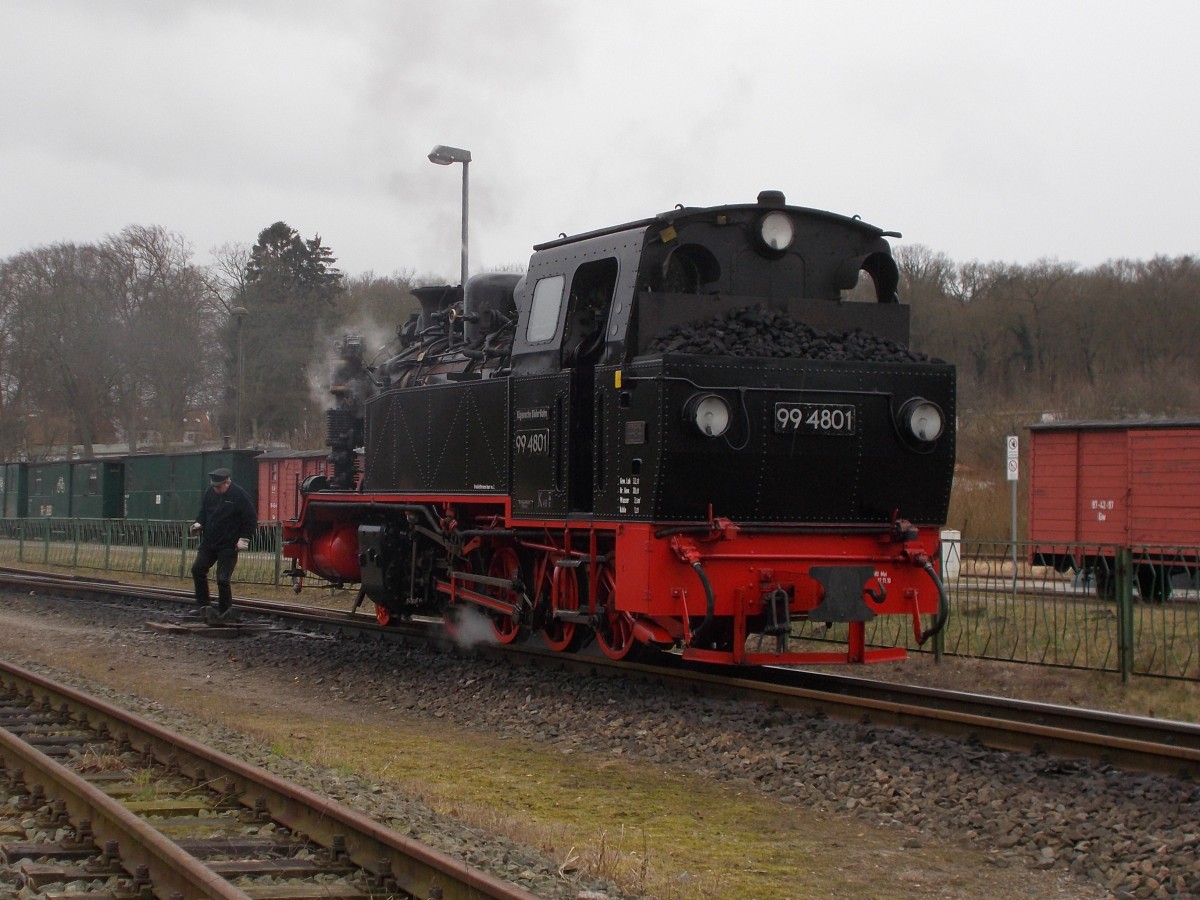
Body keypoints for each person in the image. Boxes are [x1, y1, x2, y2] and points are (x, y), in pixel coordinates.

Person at [189, 467, 257, 622]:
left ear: (227, 483)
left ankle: (225, 610)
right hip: (209, 542)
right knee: (197, 569)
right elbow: (204, 512)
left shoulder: (239, 495)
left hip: (228, 544)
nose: (216, 489)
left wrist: (244, 539)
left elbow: (250, 518)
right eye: (214, 486)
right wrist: (198, 524)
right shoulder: (210, 493)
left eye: (218, 486)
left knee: (222, 579)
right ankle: (203, 606)